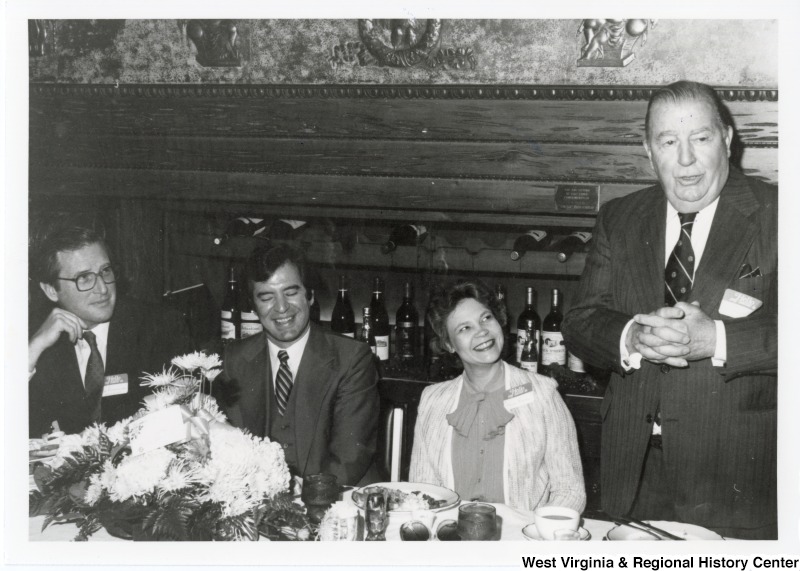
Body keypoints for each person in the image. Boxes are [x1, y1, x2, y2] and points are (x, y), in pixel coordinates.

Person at [562, 80, 777, 539]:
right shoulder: (619, 217)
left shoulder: (780, 214)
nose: (685, 160)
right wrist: (632, 338)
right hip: (633, 472)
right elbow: (581, 321)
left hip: (737, 480)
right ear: (648, 148)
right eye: (668, 141)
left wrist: (715, 340)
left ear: (727, 138)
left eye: (700, 138)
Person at [409, 280, 585, 513]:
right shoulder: (432, 400)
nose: (481, 331)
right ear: (449, 344)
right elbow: (423, 490)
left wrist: (534, 531)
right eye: (465, 328)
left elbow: (570, 491)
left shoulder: (543, 393)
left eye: (486, 318)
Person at [215, 244, 380, 486]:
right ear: (252, 305)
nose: (281, 307)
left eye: (291, 292)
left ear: (310, 296)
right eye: (266, 297)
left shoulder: (352, 357)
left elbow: (349, 458)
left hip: (336, 500)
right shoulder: (234, 360)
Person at [28, 223, 193, 436]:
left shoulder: (160, 326)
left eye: (105, 271)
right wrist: (33, 349)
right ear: (51, 290)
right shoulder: (35, 337)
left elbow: (185, 421)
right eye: (84, 278)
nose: (103, 288)